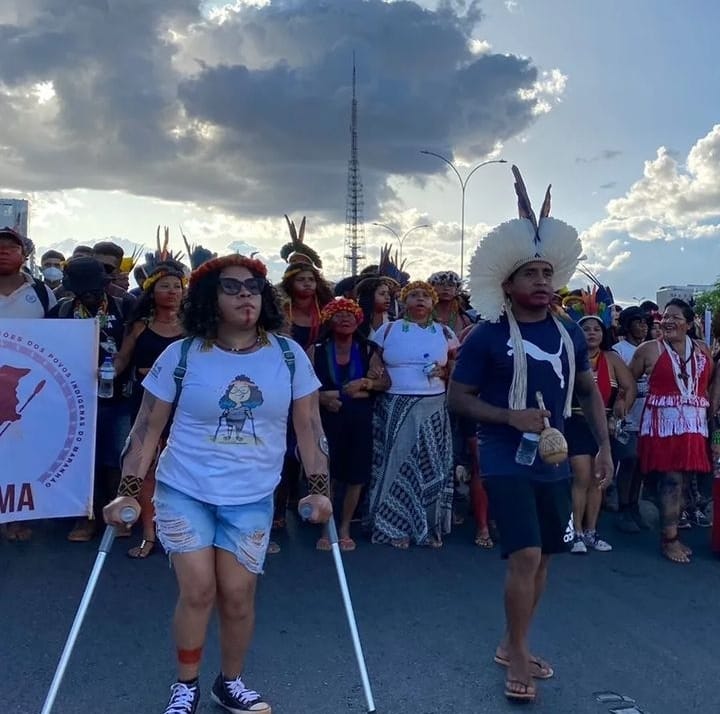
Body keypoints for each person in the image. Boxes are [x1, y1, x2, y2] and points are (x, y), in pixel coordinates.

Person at [104, 254, 332, 714]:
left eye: (253, 286)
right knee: (199, 590)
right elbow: (148, 426)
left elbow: (309, 428)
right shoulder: (183, 354)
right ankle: (185, 684)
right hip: (184, 490)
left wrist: (318, 487)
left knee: (238, 594)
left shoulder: (288, 356)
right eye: (232, 287)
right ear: (210, 299)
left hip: (251, 496)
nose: (246, 294)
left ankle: (229, 683)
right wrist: (127, 492)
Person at [448, 167, 612, 703]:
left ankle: (510, 640)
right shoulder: (486, 335)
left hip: (558, 459)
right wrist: (508, 416)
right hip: (503, 457)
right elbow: (458, 398)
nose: (542, 280)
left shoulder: (567, 331)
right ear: (507, 283)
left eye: (547, 271)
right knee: (523, 555)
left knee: (545, 557)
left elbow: (586, 391)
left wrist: (604, 446)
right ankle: (517, 652)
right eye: (530, 273)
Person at [366, 280, 458, 549]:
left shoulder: (444, 332)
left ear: (432, 303)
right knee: (395, 463)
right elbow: (375, 360)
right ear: (404, 302)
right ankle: (392, 528)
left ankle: (428, 528)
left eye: (425, 296)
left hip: (433, 406)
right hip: (395, 404)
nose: (420, 300)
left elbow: (454, 366)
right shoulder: (388, 329)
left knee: (431, 465)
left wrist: (443, 372)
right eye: (414, 295)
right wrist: (375, 375)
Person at [49, 257, 133, 541]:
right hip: (75, 401)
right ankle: (84, 518)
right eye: (82, 290)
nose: (89, 295)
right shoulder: (60, 311)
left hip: (118, 396)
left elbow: (137, 340)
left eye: (94, 289)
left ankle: (115, 515)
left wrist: (120, 364)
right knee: (80, 461)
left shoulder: (125, 307)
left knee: (116, 460)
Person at [112, 262, 186, 558]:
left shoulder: (194, 328)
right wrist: (101, 372)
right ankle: (149, 534)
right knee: (147, 470)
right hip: (147, 407)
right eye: (164, 286)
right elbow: (122, 360)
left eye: (177, 286)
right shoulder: (140, 326)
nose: (172, 292)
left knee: (182, 472)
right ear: (151, 291)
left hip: (186, 409)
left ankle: (181, 532)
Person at [631, 299, 714, 563]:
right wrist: (620, 407)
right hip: (663, 427)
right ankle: (669, 539)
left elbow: (709, 385)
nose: (668, 321)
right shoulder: (648, 350)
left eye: (676, 317)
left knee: (685, 481)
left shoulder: (702, 350)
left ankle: (671, 529)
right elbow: (627, 381)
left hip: (694, 426)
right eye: (665, 316)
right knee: (672, 480)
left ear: (689, 324)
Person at [308, 297, 389, 550]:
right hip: (327, 420)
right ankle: (326, 527)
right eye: (338, 314)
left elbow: (385, 383)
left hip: (359, 420)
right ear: (328, 319)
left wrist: (366, 384)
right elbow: (302, 387)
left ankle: (344, 527)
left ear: (358, 320)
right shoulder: (316, 349)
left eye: (350, 315)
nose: (344, 319)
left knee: (356, 475)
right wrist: (321, 398)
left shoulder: (368, 349)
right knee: (327, 473)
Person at [0, 226, 56, 542]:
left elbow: (58, 341)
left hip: (22, 387)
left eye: (11, 246)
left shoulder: (43, 294)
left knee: (19, 451)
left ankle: (15, 517)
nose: (3, 250)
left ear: (24, 254)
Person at [564, 314, 635, 554]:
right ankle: (575, 533)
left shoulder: (612, 359)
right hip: (574, 420)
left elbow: (630, 386)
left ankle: (591, 531)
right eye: (585, 329)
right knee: (581, 476)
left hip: (603, 425)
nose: (591, 333)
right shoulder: (569, 356)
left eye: (596, 329)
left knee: (598, 480)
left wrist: (622, 405)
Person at [613, 306, 651, 533]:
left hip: (649, 415)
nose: (643, 326)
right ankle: (623, 506)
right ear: (627, 325)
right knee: (628, 460)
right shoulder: (619, 351)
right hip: (628, 413)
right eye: (638, 322)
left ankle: (634, 504)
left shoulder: (651, 348)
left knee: (642, 465)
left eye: (645, 322)